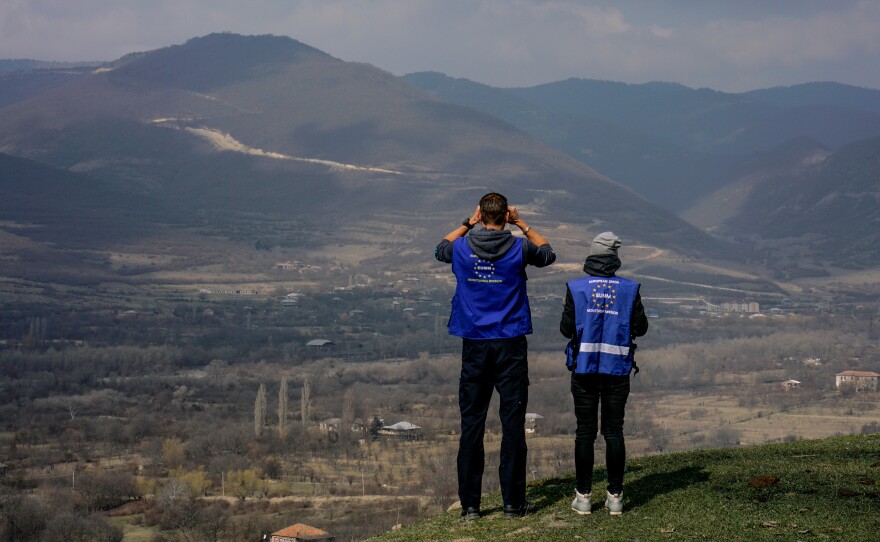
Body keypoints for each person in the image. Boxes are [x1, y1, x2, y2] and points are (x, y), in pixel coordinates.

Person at [435, 192, 556, 520]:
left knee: (471, 424)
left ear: (480, 215)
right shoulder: (519, 247)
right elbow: (547, 253)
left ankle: (471, 506)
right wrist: (522, 223)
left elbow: (439, 248)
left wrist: (467, 223)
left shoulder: (461, 248)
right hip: (510, 344)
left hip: (474, 345)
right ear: (505, 216)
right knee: (512, 424)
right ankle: (512, 504)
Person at [559, 232, 648, 516]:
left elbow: (565, 328)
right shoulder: (630, 289)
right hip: (617, 369)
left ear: (592, 255)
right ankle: (615, 497)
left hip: (583, 369)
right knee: (614, 431)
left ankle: (583, 497)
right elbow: (642, 327)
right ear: (614, 258)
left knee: (585, 432)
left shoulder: (576, 288)